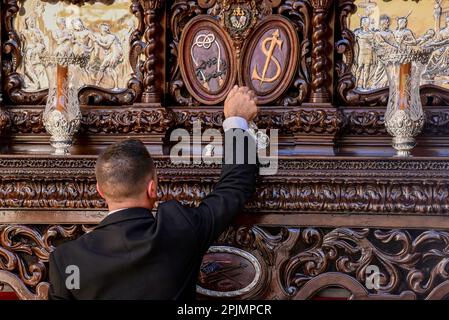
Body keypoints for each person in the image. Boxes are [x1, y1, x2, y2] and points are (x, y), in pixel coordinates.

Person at [48, 86, 259, 300]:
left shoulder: (67, 261)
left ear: (100, 191)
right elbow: (234, 186)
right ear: (152, 189)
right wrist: (236, 121)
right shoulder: (178, 230)